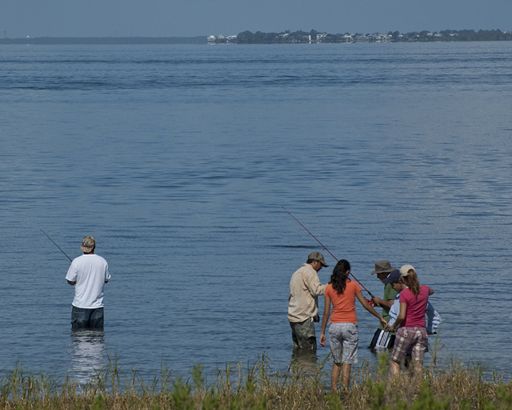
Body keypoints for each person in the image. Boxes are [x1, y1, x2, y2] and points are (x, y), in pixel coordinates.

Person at [320, 259, 386, 392]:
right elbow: (365, 305)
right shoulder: (354, 285)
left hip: (334, 326)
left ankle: (333, 390)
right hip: (350, 326)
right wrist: (379, 316)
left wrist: (322, 332)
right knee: (347, 361)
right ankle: (345, 390)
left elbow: (326, 311)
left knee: (336, 361)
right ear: (347, 272)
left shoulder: (328, 288)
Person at [387, 264, 434, 377]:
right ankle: (418, 389)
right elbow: (432, 291)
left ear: (402, 279)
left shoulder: (404, 294)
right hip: (421, 331)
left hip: (406, 330)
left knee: (395, 361)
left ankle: (396, 388)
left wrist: (393, 326)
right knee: (418, 364)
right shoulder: (425, 289)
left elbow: (402, 316)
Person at [66, 236, 111, 331]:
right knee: (97, 339)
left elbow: (70, 281)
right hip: (97, 307)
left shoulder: (76, 262)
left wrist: (76, 281)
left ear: (82, 247)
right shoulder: (102, 261)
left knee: (78, 337)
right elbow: (106, 279)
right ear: (94, 247)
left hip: (80, 306)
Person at [288, 251, 327, 354]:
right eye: (321, 264)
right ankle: (308, 369)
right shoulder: (310, 272)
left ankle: (297, 369)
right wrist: (332, 286)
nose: (321, 268)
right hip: (304, 318)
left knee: (298, 350)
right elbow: (317, 290)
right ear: (315, 262)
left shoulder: (297, 272)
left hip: (293, 316)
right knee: (309, 350)